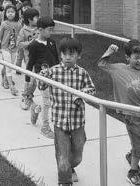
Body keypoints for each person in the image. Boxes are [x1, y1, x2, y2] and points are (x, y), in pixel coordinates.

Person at [38, 37, 96, 185]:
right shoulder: (53, 71)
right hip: (60, 122)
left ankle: (70, 167)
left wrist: (80, 94)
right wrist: (43, 76)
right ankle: (64, 180)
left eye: (72, 54)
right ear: (60, 55)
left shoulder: (82, 73)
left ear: (79, 55)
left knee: (77, 157)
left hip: (77, 122)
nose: (68, 57)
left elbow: (91, 89)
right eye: (64, 54)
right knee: (62, 157)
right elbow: (42, 86)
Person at [98, 40, 140, 185]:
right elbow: (102, 64)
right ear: (128, 58)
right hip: (130, 115)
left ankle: (131, 156)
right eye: (136, 57)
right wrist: (110, 51)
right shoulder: (119, 69)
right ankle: (133, 173)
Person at [26, 16, 59, 139]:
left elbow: (56, 59)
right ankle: (45, 128)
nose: (51, 32)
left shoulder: (52, 42)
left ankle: (35, 109)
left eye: (52, 29)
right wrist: (28, 80)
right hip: (42, 77)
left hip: (54, 76)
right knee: (47, 101)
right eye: (49, 29)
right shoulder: (34, 45)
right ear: (40, 29)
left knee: (52, 101)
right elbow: (30, 63)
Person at [0, 5, 22, 96]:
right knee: (8, 67)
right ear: (5, 14)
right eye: (8, 12)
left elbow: (20, 37)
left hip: (14, 49)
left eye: (12, 12)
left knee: (9, 66)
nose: (10, 13)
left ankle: (4, 77)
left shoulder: (18, 24)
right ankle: (11, 87)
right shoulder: (4, 24)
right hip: (5, 48)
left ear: (15, 13)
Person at [17, 8, 40, 110]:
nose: (38, 19)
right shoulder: (23, 30)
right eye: (36, 17)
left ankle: (29, 95)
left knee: (35, 80)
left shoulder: (39, 29)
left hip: (40, 58)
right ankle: (25, 97)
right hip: (29, 58)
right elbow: (19, 44)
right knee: (31, 80)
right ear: (30, 19)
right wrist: (30, 43)